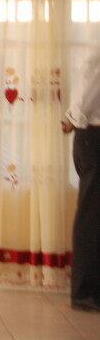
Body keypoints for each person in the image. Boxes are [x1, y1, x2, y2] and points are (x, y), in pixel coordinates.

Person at [63, 50, 100, 312]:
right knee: (91, 216)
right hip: (92, 134)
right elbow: (91, 77)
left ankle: (89, 290)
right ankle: (84, 292)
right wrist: (75, 115)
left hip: (89, 133)